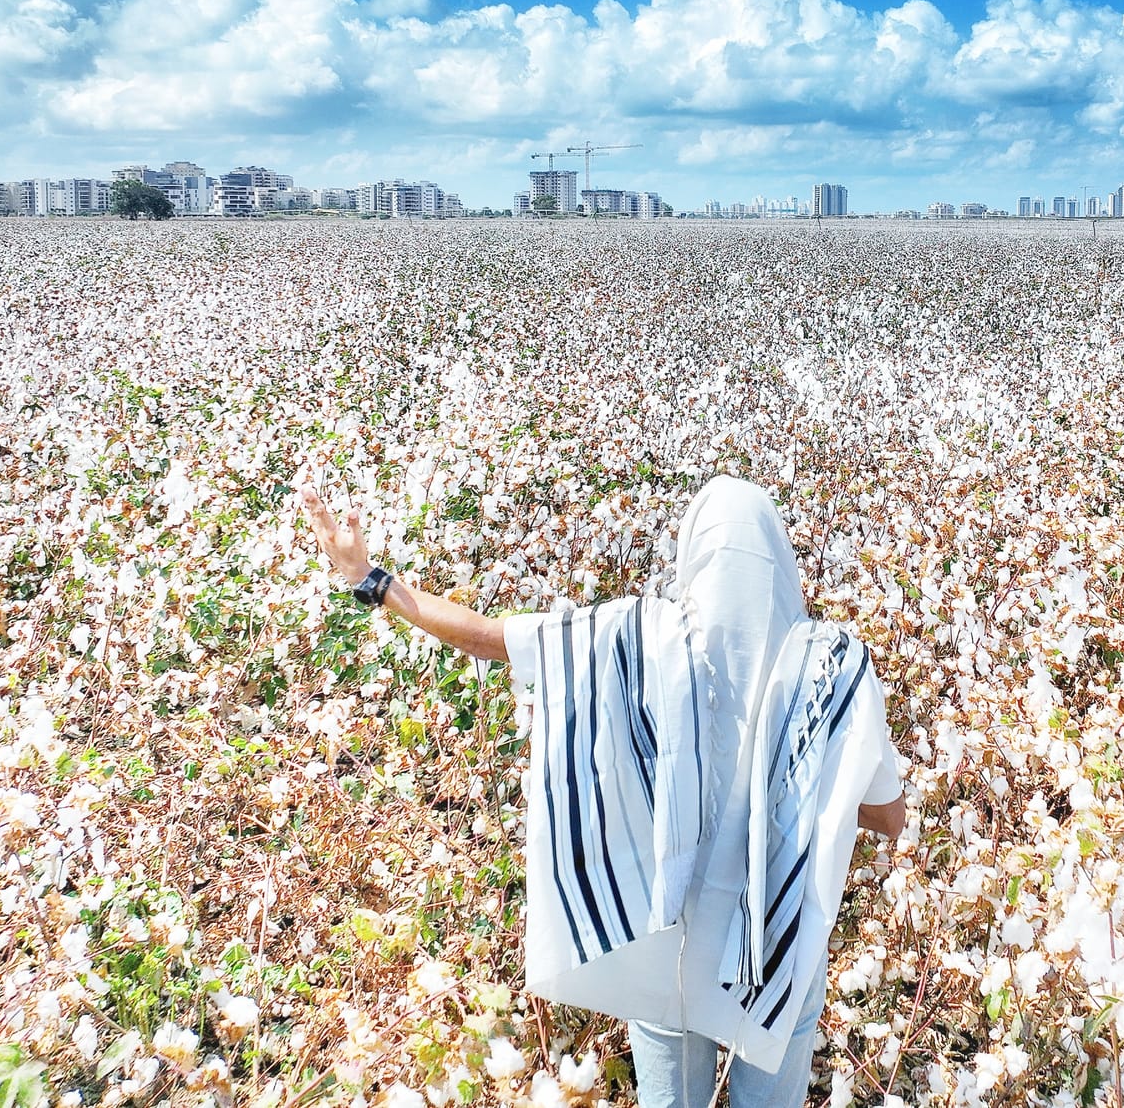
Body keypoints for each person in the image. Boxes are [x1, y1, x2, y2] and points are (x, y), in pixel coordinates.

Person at [300, 474, 907, 1108]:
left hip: (666, 943)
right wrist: (810, 795)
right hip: (780, 945)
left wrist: (370, 578)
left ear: (693, 552)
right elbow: (889, 818)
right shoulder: (837, 665)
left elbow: (490, 637)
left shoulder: (643, 638)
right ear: (781, 560)